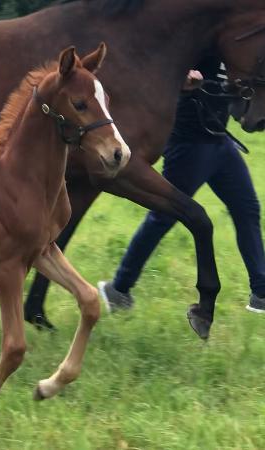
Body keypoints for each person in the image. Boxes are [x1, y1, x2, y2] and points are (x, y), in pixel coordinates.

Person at [99, 53, 265, 314]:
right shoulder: (197, 42)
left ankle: (261, 292)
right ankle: (119, 289)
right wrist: (182, 79)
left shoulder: (227, 47)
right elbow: (159, 71)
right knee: (163, 216)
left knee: (248, 209)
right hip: (189, 146)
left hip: (220, 143)